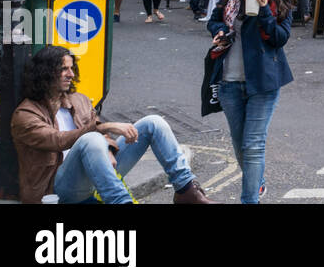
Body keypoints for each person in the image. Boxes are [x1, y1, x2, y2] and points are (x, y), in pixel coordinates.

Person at [11, 45, 211, 204]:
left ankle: (187, 190)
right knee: (90, 138)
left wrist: (106, 146)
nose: (71, 74)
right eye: (63, 69)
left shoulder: (78, 100)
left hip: (95, 175)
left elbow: (98, 135)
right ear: (45, 72)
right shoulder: (26, 114)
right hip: (58, 189)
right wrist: (104, 128)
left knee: (154, 123)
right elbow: (57, 140)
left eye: (71, 68)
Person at [206, 0, 294, 204]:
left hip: (263, 83)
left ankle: (249, 200)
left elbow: (279, 39)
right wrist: (219, 30)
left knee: (253, 145)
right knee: (239, 144)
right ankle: (258, 183)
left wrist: (265, 8)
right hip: (229, 81)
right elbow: (213, 20)